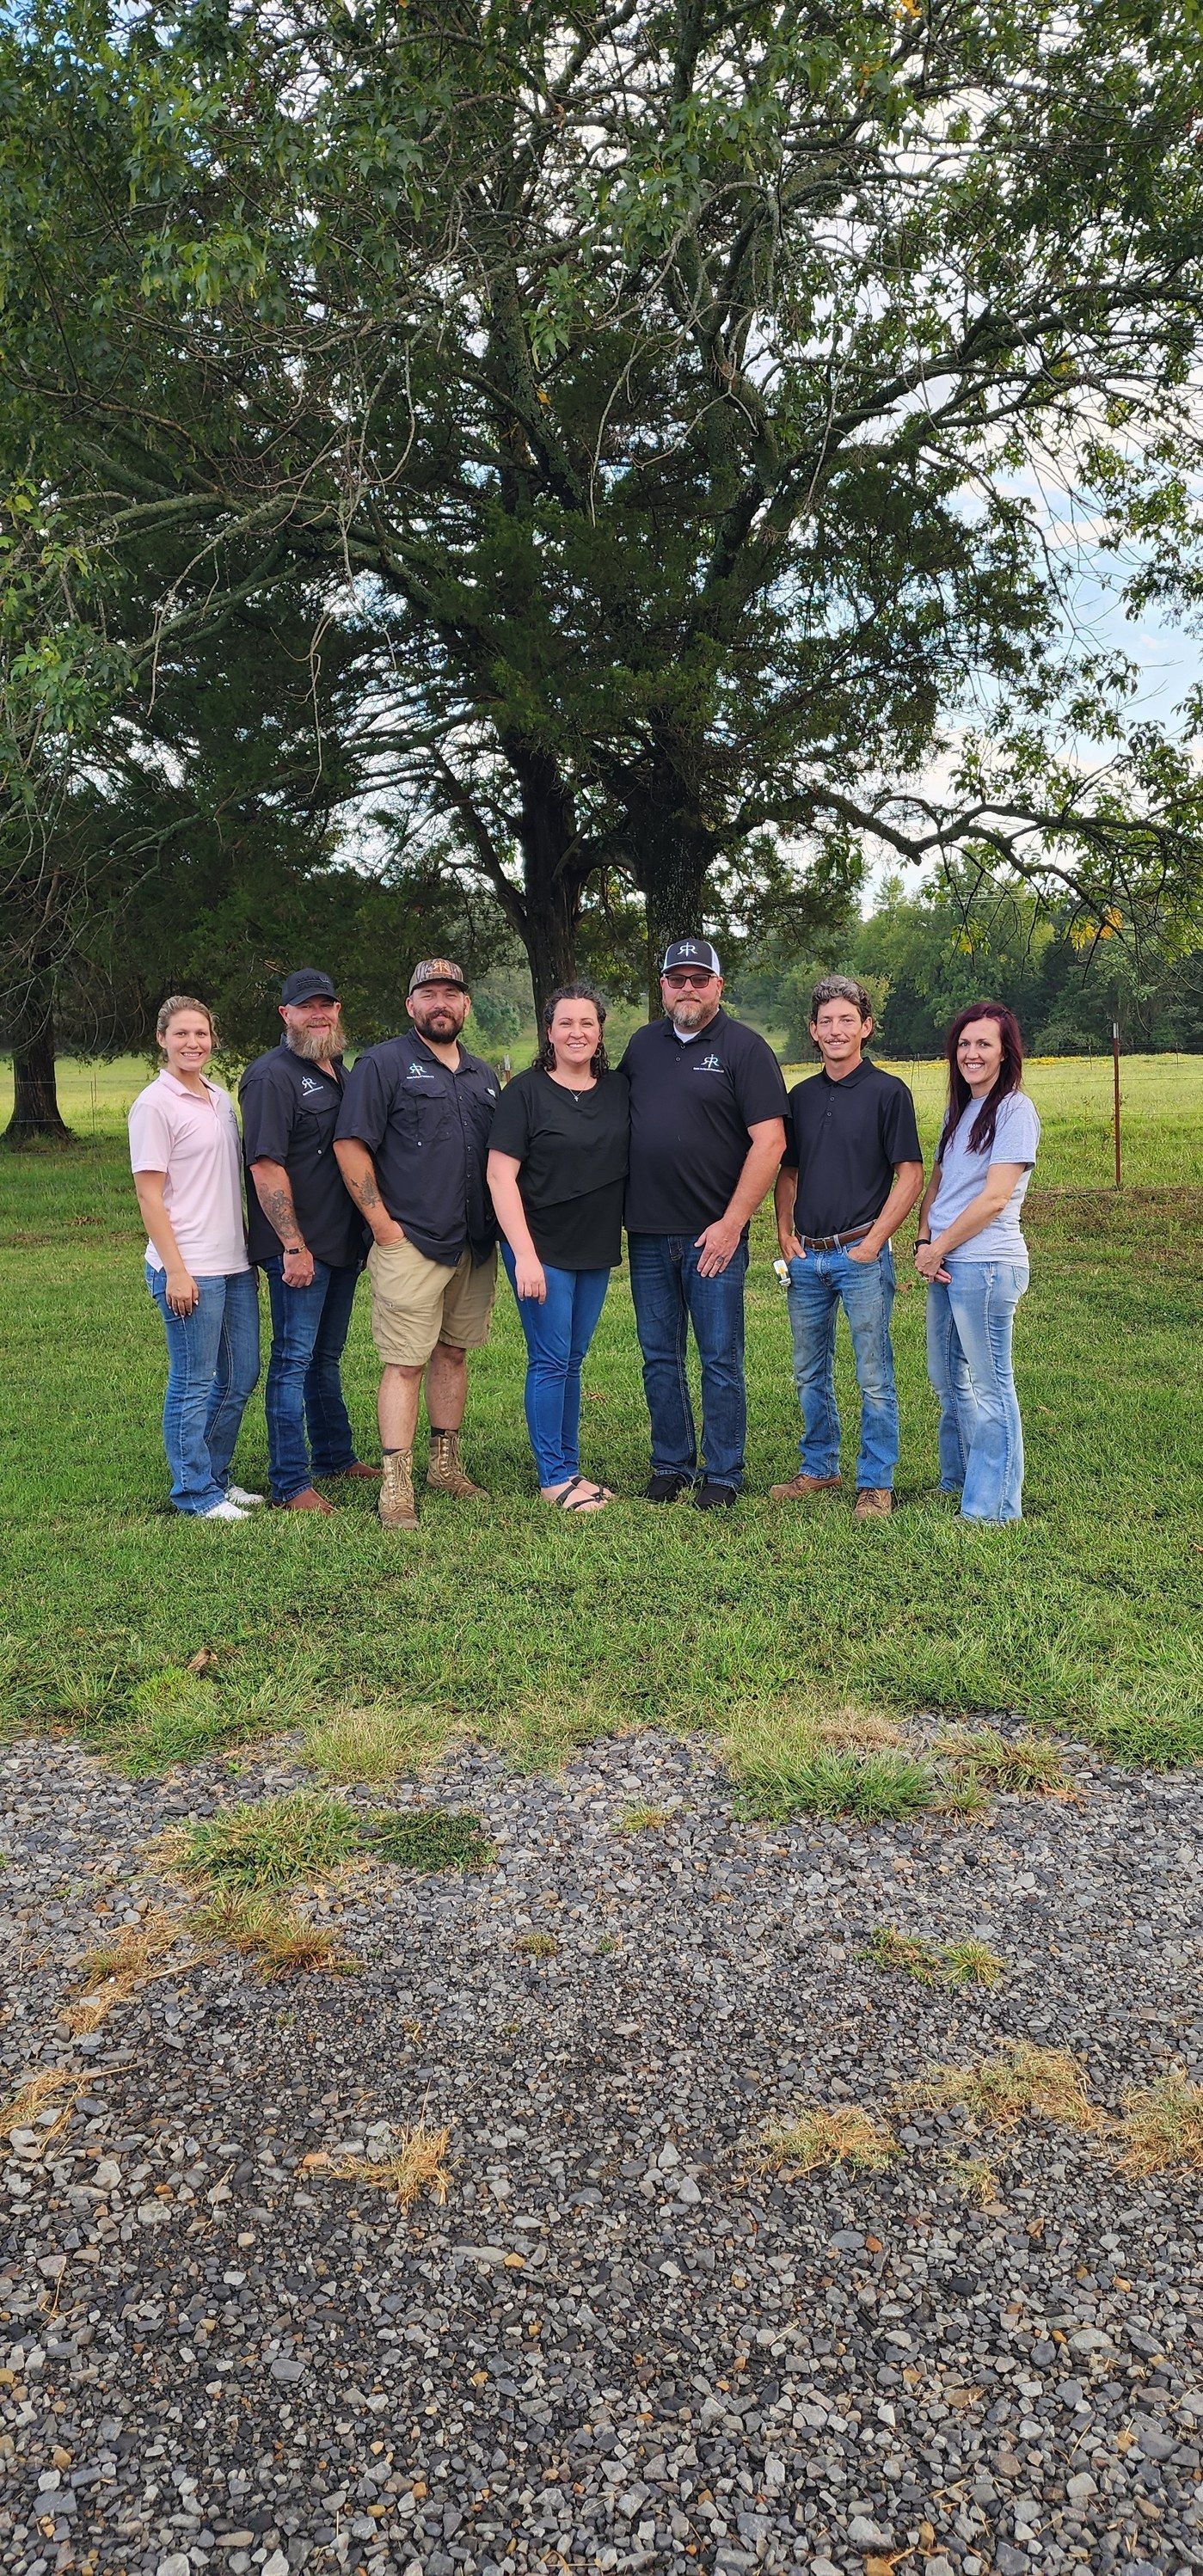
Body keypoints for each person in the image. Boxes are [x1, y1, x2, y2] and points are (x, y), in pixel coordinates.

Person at [620, 938, 786, 1509]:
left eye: (699, 978)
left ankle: (722, 1472)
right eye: (676, 979)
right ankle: (670, 1463)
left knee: (718, 1357)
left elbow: (770, 1142)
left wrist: (732, 1223)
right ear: (662, 987)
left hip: (712, 1236)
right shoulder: (641, 1047)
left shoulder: (744, 1048)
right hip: (646, 1233)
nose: (687, 988)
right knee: (658, 1356)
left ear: (718, 985)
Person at [333, 960, 499, 1530]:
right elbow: (352, 1147)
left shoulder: (482, 1076)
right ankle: (396, 1482)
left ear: (465, 1006)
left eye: (451, 994)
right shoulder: (382, 1064)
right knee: (405, 1363)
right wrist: (381, 1224)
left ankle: (444, 1464)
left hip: (473, 1243)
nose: (440, 1003)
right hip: (411, 1240)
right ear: (410, 1005)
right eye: (428, 994)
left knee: (453, 1353)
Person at [770, 975, 924, 1520]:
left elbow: (909, 1176)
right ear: (813, 1032)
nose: (836, 1030)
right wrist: (785, 1234)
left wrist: (875, 1243)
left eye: (846, 1020)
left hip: (861, 1253)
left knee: (873, 1373)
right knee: (810, 1371)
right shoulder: (800, 1097)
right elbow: (786, 1172)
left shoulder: (889, 1093)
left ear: (866, 1027)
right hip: (807, 1256)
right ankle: (819, 1467)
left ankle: (875, 1481)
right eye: (825, 1022)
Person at [488, 983, 629, 1512]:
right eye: (565, 1023)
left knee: (573, 1359)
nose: (577, 1032)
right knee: (549, 1359)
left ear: (600, 1032)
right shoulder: (524, 1093)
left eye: (587, 1023)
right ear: (549, 1032)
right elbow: (500, 1176)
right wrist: (524, 1254)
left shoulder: (618, 1089)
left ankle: (570, 1468)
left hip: (593, 1244)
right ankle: (554, 1478)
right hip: (540, 1246)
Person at [240, 969, 375, 1515]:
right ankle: (291, 1483)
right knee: (293, 1359)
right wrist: (292, 1245)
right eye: (306, 1007)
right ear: (285, 1015)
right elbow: (266, 1166)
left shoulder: (338, 1071)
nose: (318, 1014)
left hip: (340, 1243)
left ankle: (335, 1457)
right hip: (299, 1248)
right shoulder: (272, 1077)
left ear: (338, 1011)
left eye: (326, 1005)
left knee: (326, 1356)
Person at [129, 995, 261, 1521]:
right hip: (188, 1267)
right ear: (162, 1039)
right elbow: (148, 1195)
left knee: (241, 1376)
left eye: (201, 1034)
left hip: (234, 1262)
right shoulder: (153, 1105)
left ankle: (217, 1479)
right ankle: (194, 1492)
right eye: (181, 1034)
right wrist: (177, 1270)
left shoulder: (219, 1098)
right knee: (195, 1380)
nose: (192, 1044)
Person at [916, 1003, 1040, 1524]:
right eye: (965, 1044)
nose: (971, 1053)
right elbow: (940, 1181)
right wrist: (925, 1237)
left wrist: (939, 1248)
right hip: (945, 1262)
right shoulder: (960, 1108)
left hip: (986, 1265)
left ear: (1005, 1052)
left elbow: (993, 1200)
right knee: (948, 1380)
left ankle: (993, 1507)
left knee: (990, 1387)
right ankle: (959, 1479)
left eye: (984, 1044)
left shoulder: (1015, 1110)